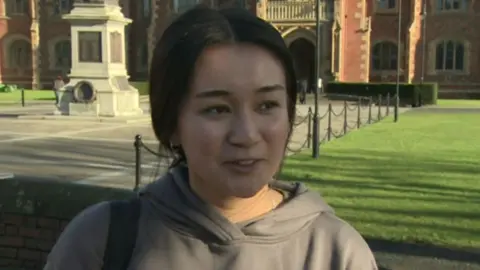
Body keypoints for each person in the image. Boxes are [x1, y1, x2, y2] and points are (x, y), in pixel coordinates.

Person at [44, 6, 378, 270]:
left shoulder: (337, 253)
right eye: (217, 109)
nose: (246, 135)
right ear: (172, 122)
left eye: (267, 105)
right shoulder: (101, 241)